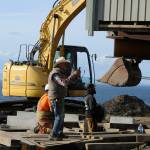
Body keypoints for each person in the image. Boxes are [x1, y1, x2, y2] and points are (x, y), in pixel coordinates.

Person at [48, 56, 80, 140]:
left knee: (61, 116)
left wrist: (75, 76)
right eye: (64, 64)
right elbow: (64, 83)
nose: (66, 65)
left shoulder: (60, 73)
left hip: (59, 97)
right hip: (56, 97)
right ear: (60, 64)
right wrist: (73, 75)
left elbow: (69, 81)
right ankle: (53, 134)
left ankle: (59, 133)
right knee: (59, 116)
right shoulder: (55, 74)